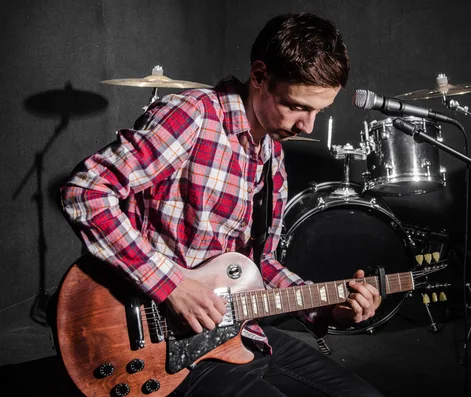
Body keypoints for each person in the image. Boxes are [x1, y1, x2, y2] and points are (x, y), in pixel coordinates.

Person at [60, 12, 384, 397]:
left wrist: (330, 307)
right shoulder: (193, 116)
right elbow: (86, 191)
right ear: (260, 76)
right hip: (163, 344)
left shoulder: (272, 159)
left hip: (238, 333)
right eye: (297, 106)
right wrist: (172, 285)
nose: (308, 127)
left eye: (318, 112)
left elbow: (258, 266)